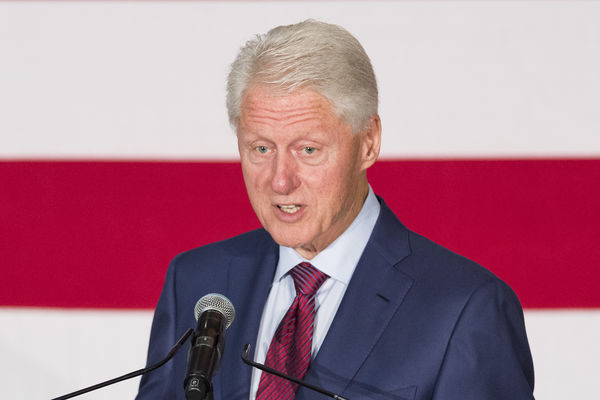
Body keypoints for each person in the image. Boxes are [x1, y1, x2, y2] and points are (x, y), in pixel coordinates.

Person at [136, 20, 534, 400]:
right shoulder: (197, 282)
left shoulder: (465, 308)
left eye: (308, 149)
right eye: (261, 148)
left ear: (368, 143)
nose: (280, 181)